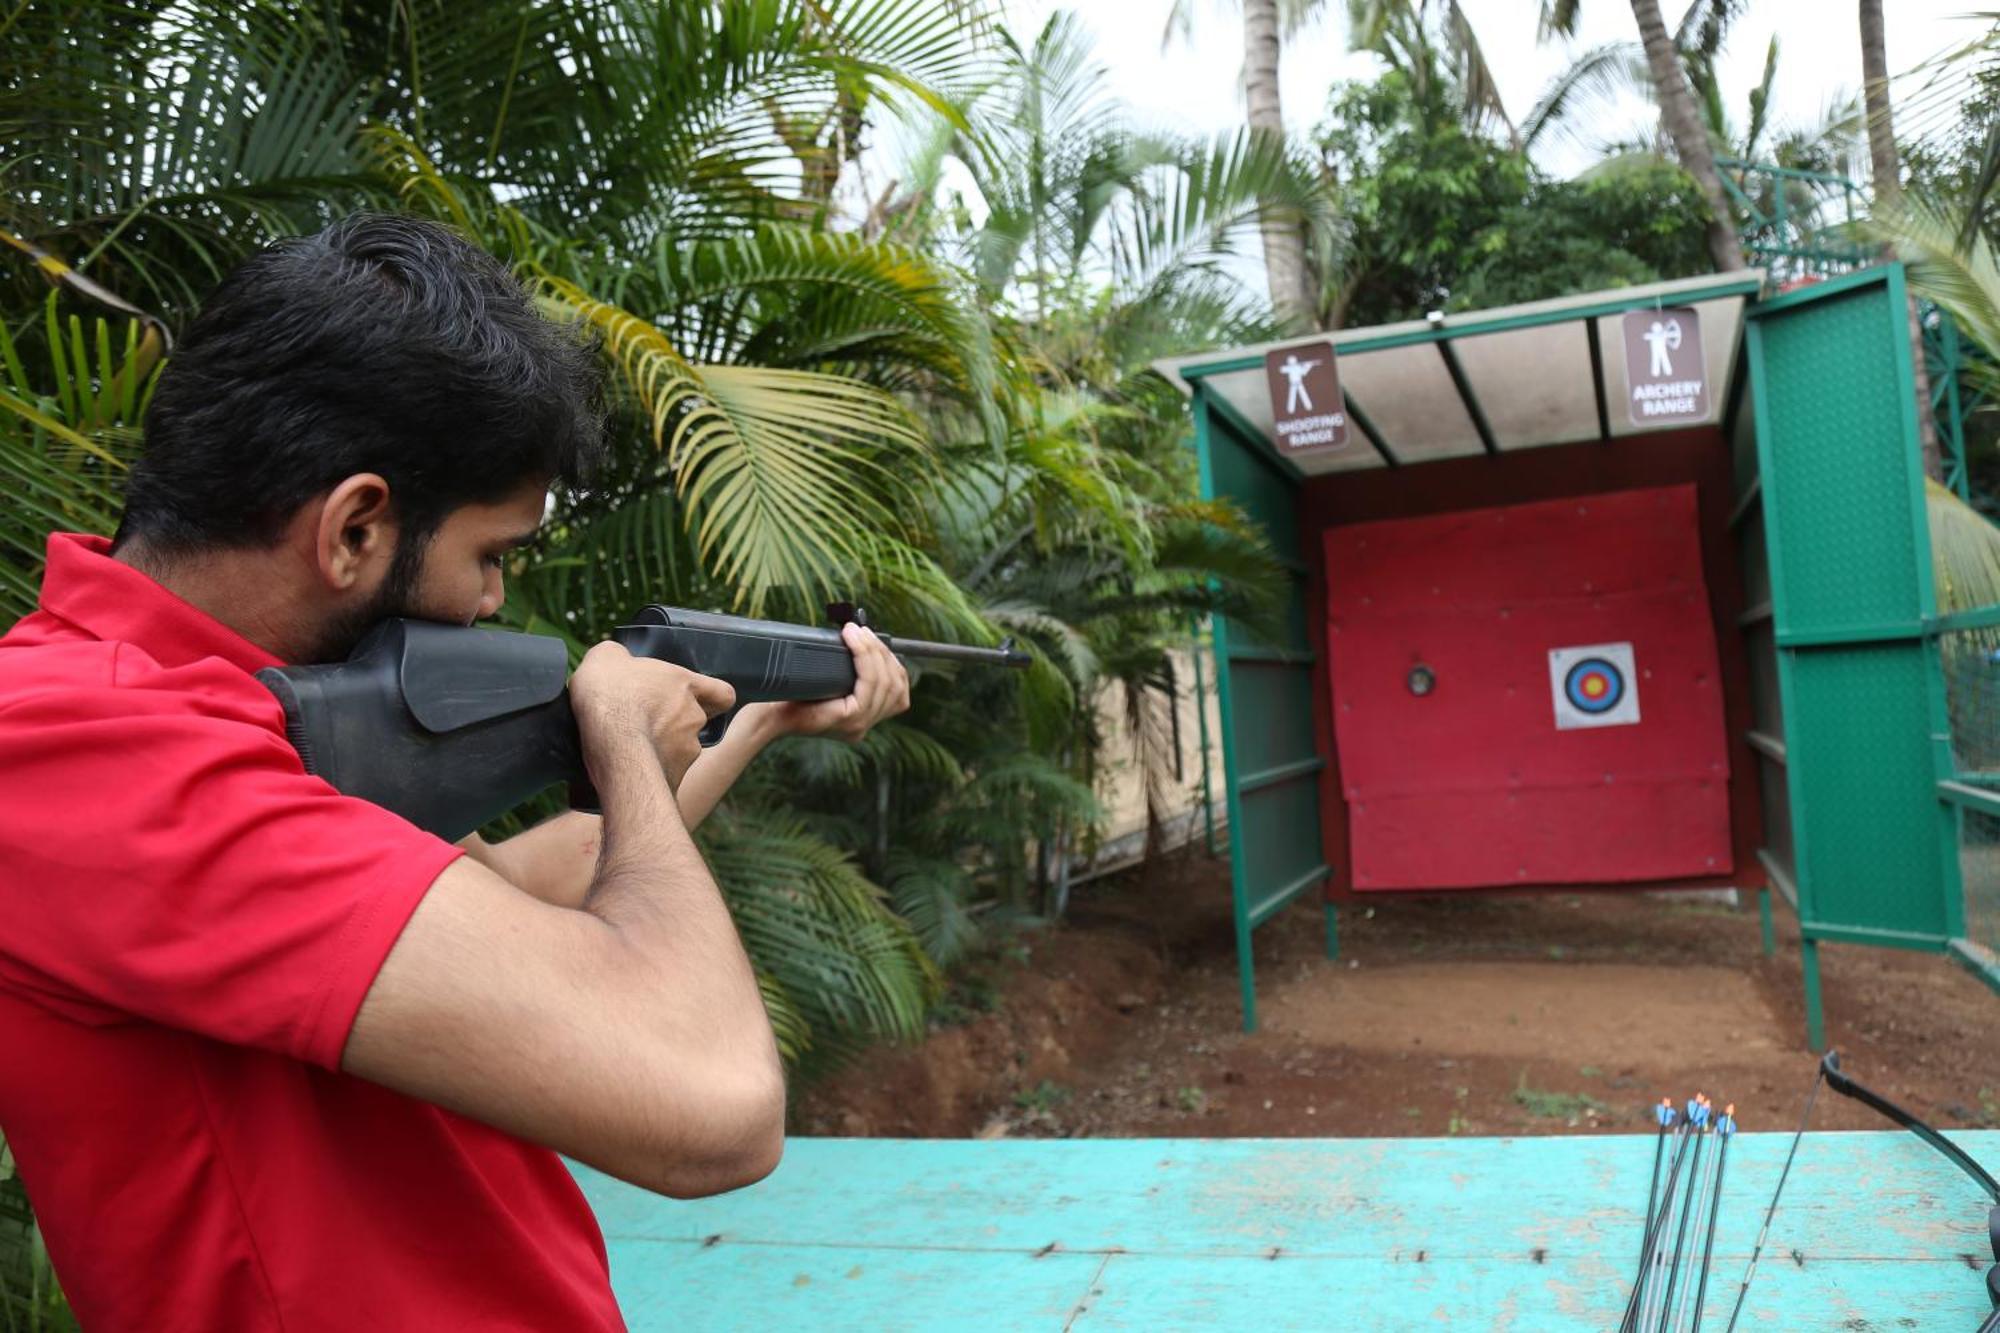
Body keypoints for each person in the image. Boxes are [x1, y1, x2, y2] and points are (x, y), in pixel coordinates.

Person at [0, 214, 910, 1331]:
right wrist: (620, 739)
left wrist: (753, 718)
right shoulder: (82, 748)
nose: (491, 603)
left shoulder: (210, 716)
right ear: (354, 530)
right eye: (487, 555)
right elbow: (715, 1109)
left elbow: (528, 900)